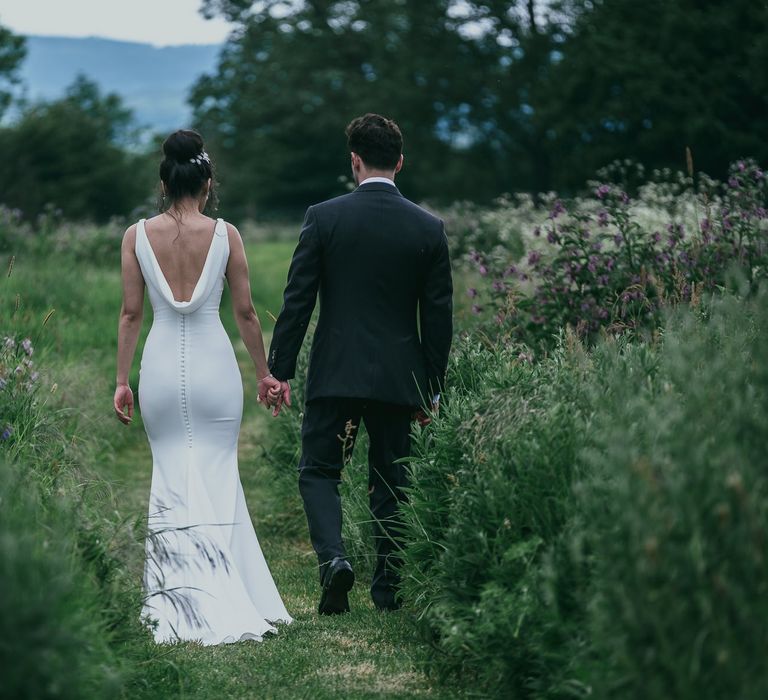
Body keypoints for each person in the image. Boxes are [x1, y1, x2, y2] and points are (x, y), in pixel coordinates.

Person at [268, 113, 453, 614]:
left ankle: (333, 562)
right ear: (400, 161)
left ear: (354, 161)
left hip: (336, 373)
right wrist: (433, 389)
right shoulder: (429, 229)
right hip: (401, 376)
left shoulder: (324, 217)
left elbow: (298, 301)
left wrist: (278, 370)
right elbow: (438, 321)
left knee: (319, 471)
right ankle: (388, 589)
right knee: (392, 480)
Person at [113, 129, 292, 644]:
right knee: (217, 471)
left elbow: (131, 315)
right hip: (215, 369)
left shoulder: (135, 236)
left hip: (162, 369)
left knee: (170, 472)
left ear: (163, 183)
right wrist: (265, 373)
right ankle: (225, 590)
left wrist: (123, 381)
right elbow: (245, 313)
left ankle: (173, 598)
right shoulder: (226, 235)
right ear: (207, 182)